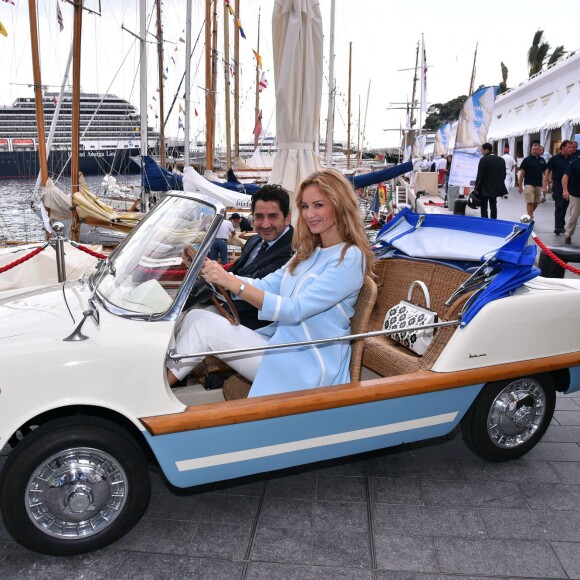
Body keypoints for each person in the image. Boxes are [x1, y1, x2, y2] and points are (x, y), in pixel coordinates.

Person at [166, 169, 374, 397]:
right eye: (305, 206)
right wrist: (211, 271)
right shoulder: (309, 252)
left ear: (339, 205)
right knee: (197, 317)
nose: (309, 214)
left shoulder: (350, 257)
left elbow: (296, 310)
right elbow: (265, 285)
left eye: (318, 205)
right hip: (280, 346)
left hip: (309, 364)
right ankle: (160, 387)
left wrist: (231, 282)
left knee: (202, 327)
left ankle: (155, 393)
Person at [544, 140, 574, 234]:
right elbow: (547, 171)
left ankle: (561, 225)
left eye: (572, 147)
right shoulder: (554, 159)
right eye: (569, 147)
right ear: (563, 147)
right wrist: (545, 185)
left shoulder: (572, 159)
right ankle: (557, 227)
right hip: (557, 185)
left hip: (569, 185)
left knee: (564, 206)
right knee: (559, 205)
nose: (571, 149)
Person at [474, 143, 507, 219]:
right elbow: (503, 174)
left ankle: (485, 221)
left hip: (484, 187)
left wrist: (476, 188)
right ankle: (494, 220)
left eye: (482, 150)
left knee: (484, 205)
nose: (482, 152)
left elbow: (480, 175)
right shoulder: (501, 160)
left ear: (486, 150)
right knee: (493, 205)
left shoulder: (484, 159)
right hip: (495, 186)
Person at [518, 143, 547, 221]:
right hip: (528, 183)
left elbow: (545, 173)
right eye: (533, 149)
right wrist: (520, 185)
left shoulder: (542, 160)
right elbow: (522, 173)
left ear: (539, 150)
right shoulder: (527, 160)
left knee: (537, 202)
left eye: (536, 149)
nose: (534, 151)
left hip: (538, 184)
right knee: (530, 201)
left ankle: (529, 215)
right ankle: (530, 217)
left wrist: (549, 182)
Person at [563, 157, 580, 245]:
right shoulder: (575, 163)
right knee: (573, 217)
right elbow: (565, 176)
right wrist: (565, 190)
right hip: (576, 194)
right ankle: (568, 235)